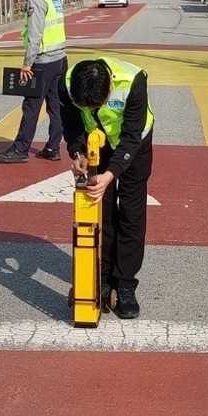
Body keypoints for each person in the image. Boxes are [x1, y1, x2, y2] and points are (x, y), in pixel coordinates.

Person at [59, 57, 154, 319]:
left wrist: (111, 174)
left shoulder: (133, 82)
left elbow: (132, 136)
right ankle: (102, 278)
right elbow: (71, 125)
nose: (91, 109)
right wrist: (78, 154)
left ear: (110, 85)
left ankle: (125, 284)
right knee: (103, 213)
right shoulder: (66, 84)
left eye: (96, 105)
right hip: (96, 146)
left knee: (131, 213)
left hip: (134, 144)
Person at [0, 0, 67, 164]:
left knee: (31, 107)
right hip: (60, 58)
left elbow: (35, 36)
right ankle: (53, 147)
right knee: (56, 106)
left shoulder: (36, 1)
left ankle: (20, 149)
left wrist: (27, 64)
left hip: (43, 62)